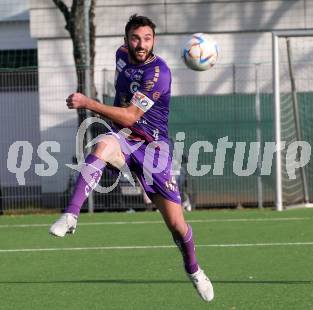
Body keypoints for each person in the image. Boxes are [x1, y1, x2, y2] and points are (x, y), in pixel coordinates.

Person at [49, 14, 214, 302]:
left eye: (147, 39)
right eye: (136, 38)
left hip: (153, 149)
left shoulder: (159, 73)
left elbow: (129, 115)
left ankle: (194, 269)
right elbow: (124, 120)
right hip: (124, 139)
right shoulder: (121, 56)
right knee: (100, 148)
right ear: (126, 39)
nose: (141, 44)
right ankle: (71, 214)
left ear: (154, 41)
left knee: (177, 225)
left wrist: (88, 102)